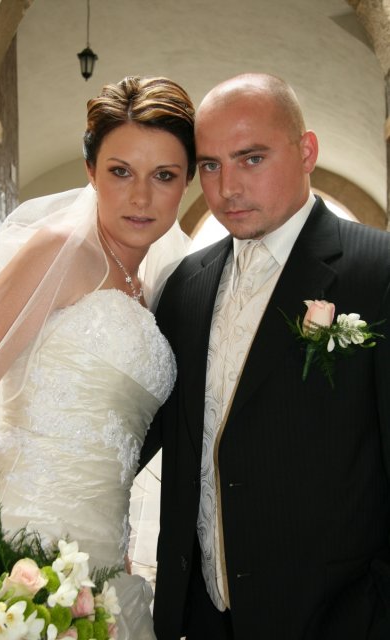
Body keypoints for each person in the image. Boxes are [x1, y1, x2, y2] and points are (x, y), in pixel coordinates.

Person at [139, 73, 390, 639]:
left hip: (338, 621)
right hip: (198, 621)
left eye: (251, 158)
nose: (227, 187)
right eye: (210, 165)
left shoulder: (378, 272)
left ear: (306, 152)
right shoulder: (185, 287)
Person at [0, 75, 196, 639]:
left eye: (163, 175)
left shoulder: (153, 291)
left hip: (102, 562)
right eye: (120, 171)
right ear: (90, 171)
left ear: (188, 182)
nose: (140, 197)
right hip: (19, 554)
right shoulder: (60, 254)